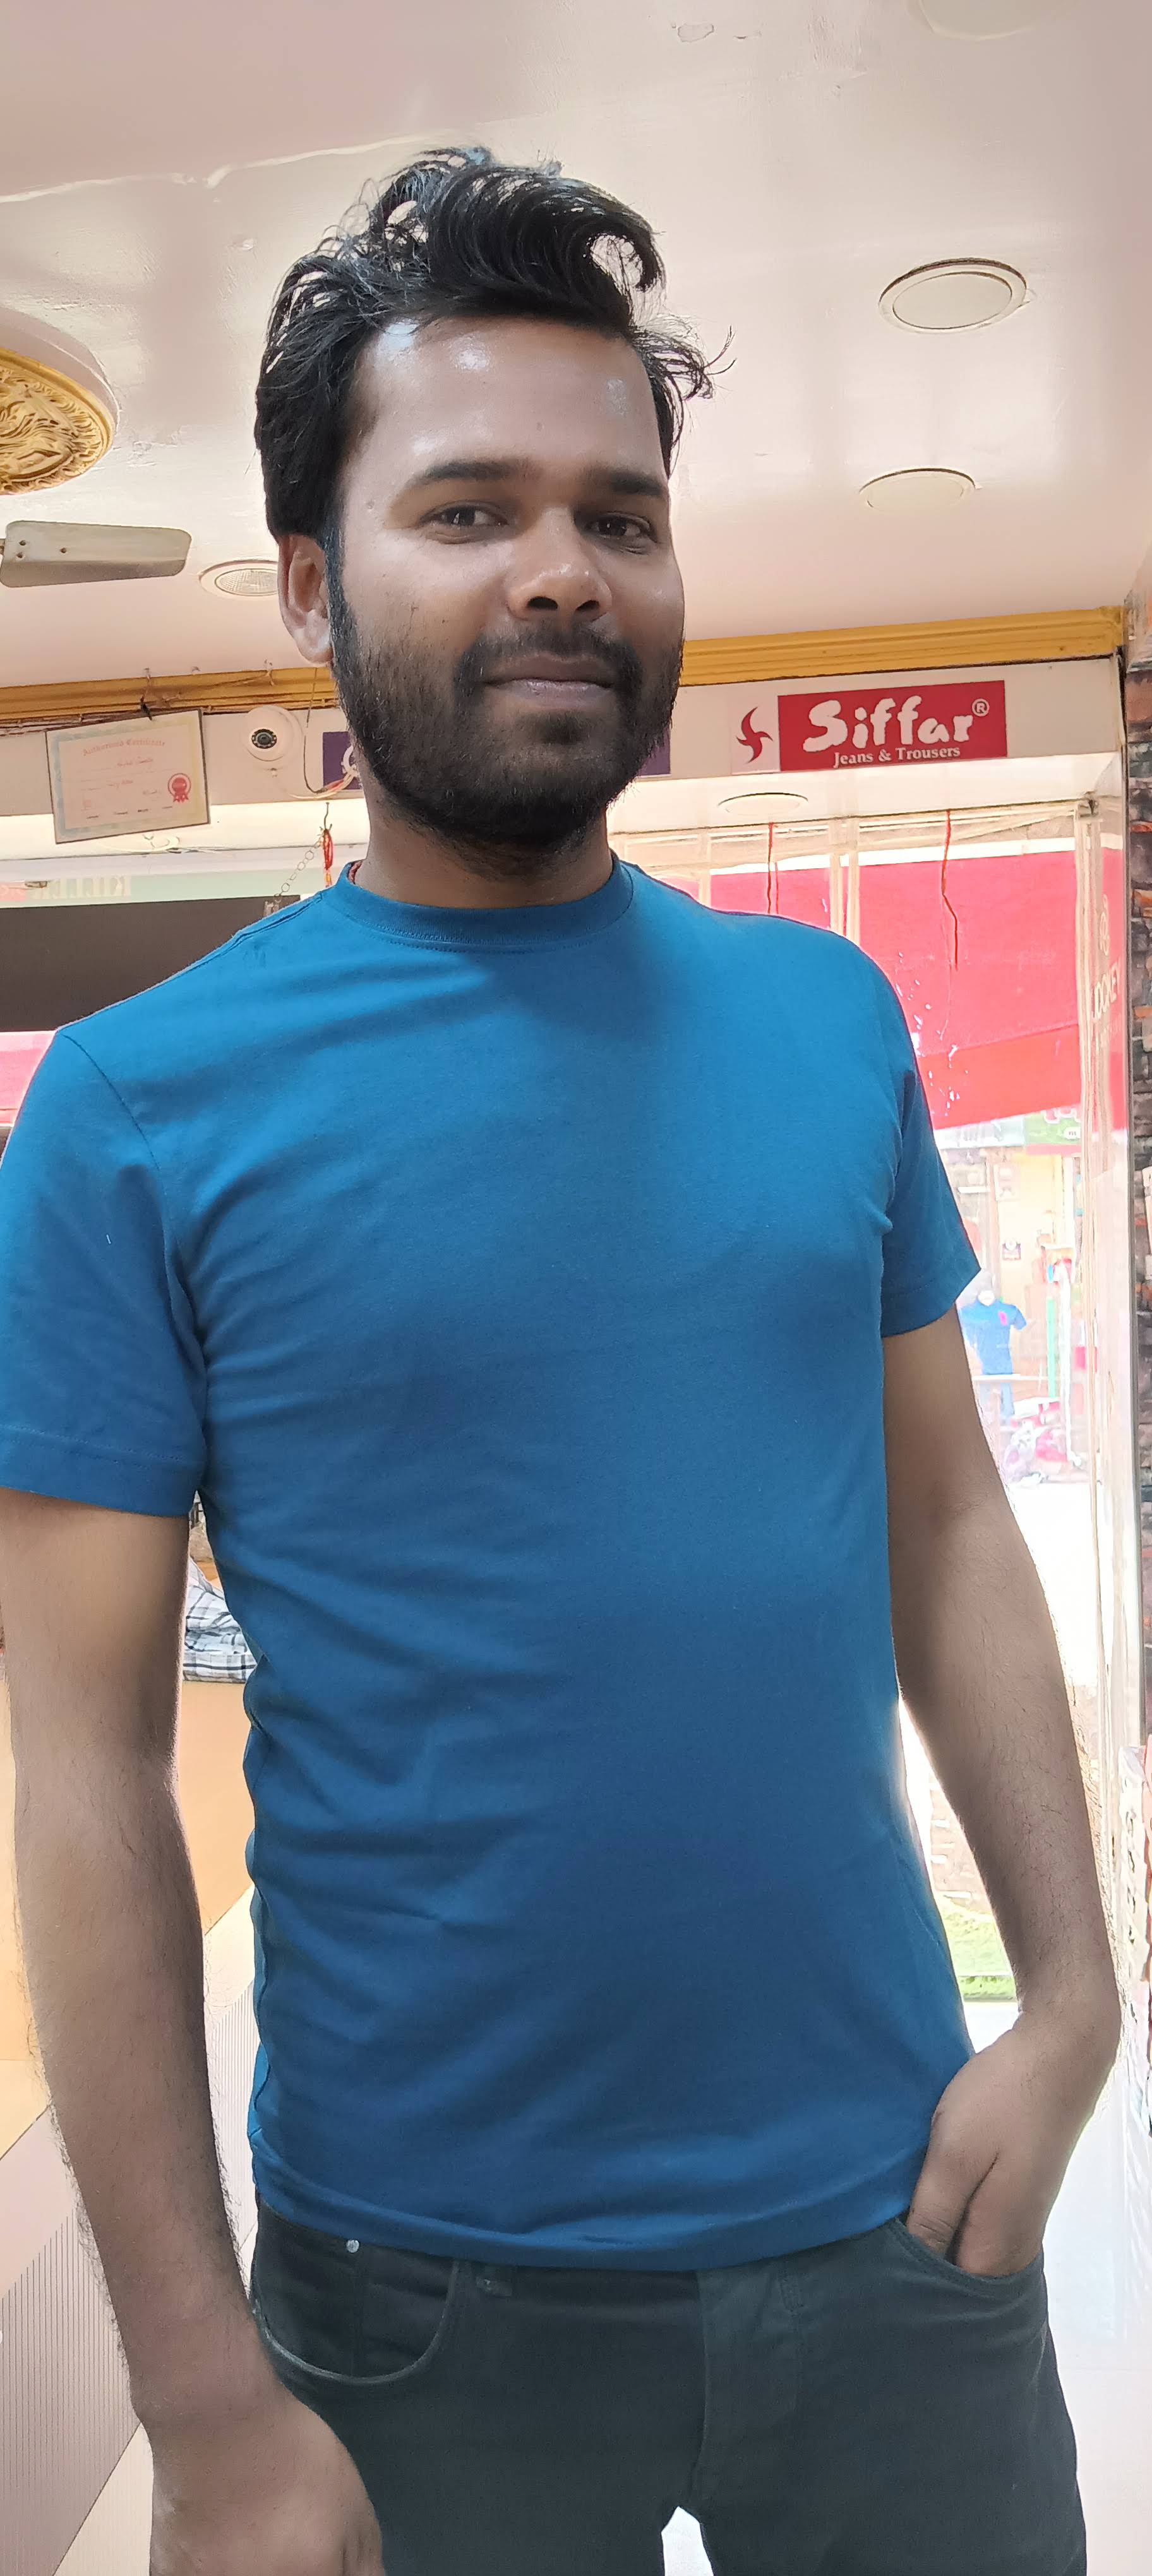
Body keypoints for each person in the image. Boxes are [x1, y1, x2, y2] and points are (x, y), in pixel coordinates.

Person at [0, 148, 1117, 2576]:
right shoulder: (135, 1112)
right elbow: (79, 1760)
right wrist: (197, 2395)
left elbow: (944, 1521)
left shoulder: (826, 1022)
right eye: (467, 507)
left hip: (895, 2236)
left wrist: (1068, 2000)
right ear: (311, 584)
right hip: (415, 2296)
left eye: (618, 514)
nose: (559, 570)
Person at [961, 1274, 1029, 1421]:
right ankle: (988, 1417)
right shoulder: (966, 1314)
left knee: (1003, 1406)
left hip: (1000, 1366)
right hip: (981, 1367)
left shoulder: (1007, 1312)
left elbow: (1024, 1329)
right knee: (982, 1405)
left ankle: (1003, 1418)